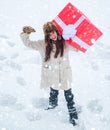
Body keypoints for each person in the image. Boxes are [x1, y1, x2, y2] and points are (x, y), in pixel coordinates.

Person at [20, 22, 78, 126]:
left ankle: (73, 113)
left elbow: (78, 48)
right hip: (52, 73)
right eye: (49, 35)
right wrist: (25, 33)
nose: (53, 36)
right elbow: (29, 44)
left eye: (53, 33)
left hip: (65, 73)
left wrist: (74, 36)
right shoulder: (43, 44)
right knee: (53, 91)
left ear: (56, 31)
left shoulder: (65, 42)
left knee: (68, 94)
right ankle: (52, 105)